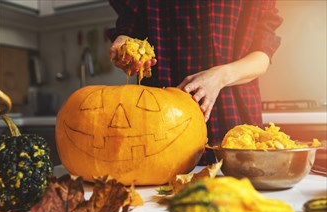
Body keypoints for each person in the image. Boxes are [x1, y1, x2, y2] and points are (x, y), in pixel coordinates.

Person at [108, 0, 283, 165]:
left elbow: (262, 55)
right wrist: (126, 48)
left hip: (234, 118)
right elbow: (130, 30)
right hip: (159, 124)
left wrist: (219, 77)